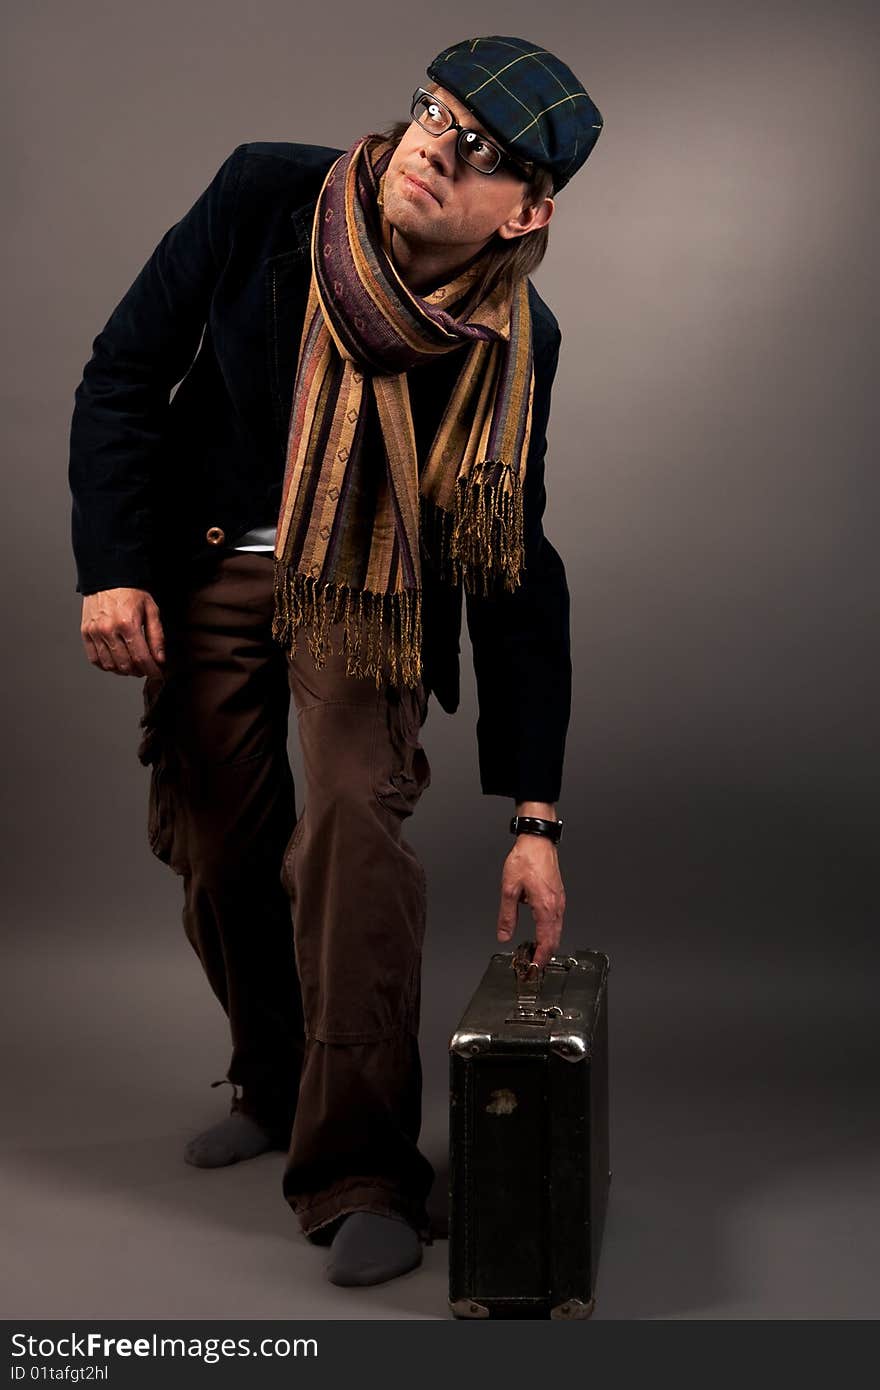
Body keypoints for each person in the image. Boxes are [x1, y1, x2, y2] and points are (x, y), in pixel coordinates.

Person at [68, 35, 603, 1287]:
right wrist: (112, 564)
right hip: (211, 561)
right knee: (217, 837)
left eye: (477, 149)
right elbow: (125, 372)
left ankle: (359, 1168)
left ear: (525, 208)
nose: (432, 147)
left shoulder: (516, 346)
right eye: (432, 112)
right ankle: (269, 1069)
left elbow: (516, 566)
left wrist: (536, 813)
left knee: (353, 829)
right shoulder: (265, 194)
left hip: (371, 596)